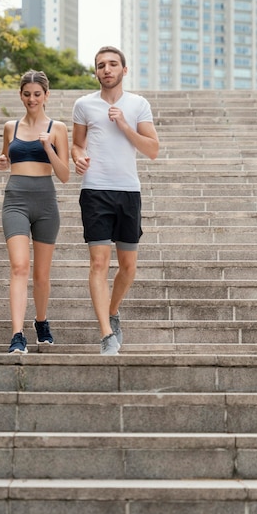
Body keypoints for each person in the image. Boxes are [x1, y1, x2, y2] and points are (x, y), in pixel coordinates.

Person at [71, 46, 159, 355]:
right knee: (98, 262)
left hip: (128, 191)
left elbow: (152, 149)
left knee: (129, 267)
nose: (106, 69)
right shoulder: (83, 105)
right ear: (95, 72)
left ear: (124, 69)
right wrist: (78, 158)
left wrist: (124, 125)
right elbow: (77, 145)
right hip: (95, 190)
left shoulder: (138, 105)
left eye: (112, 64)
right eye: (100, 66)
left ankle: (112, 310)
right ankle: (107, 334)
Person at [0, 70, 70, 354]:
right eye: (27, 94)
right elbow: (6, 158)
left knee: (41, 274)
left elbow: (64, 175)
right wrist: (1, 162)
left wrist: (48, 147)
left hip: (46, 202)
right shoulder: (9, 127)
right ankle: (17, 335)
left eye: (37, 94)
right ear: (21, 95)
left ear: (46, 96)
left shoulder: (58, 128)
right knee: (19, 267)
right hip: (15, 199)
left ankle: (41, 322)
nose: (32, 99)